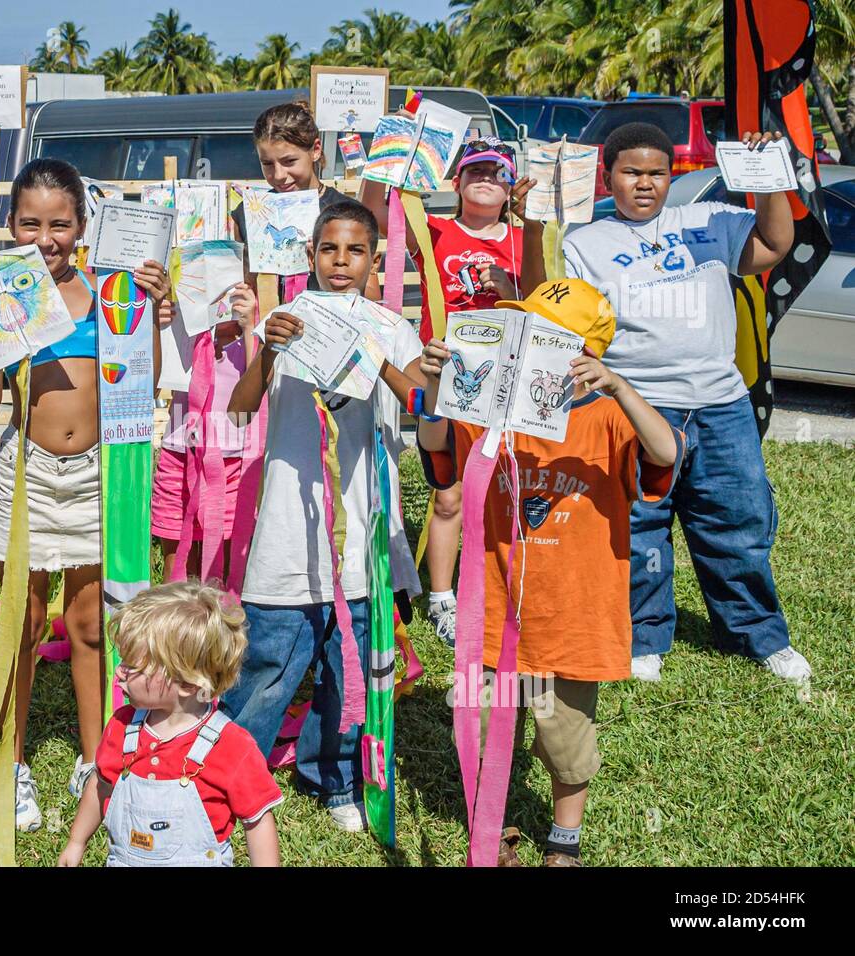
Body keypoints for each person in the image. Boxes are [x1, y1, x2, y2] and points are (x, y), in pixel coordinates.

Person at [520, 123, 811, 685]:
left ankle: (758, 634)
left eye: (657, 172)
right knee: (639, 524)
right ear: (609, 177)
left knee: (738, 523)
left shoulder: (709, 221)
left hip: (720, 404)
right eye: (632, 173)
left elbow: (776, 245)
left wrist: (770, 178)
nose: (645, 183)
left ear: (670, 175)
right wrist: (533, 225)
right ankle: (646, 634)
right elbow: (542, 305)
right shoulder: (586, 241)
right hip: (639, 408)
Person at [416, 279, 682, 866]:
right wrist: (438, 385)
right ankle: (493, 831)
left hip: (572, 622)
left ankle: (564, 843)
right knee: (482, 735)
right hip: (491, 615)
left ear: (587, 355)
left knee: (566, 745)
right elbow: (438, 452)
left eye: (547, 335)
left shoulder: (610, 416)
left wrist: (621, 388)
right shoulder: (490, 408)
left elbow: (665, 454)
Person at [0, 158, 170, 830]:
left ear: (83, 226)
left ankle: (94, 759)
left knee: (87, 626)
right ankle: (13, 765)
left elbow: (140, 383)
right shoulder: (1, 292)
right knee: (19, 629)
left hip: (93, 478)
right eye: (31, 222)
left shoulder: (107, 291)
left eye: (60, 223)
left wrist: (153, 320)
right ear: (12, 224)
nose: (46, 236)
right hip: (25, 474)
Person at [222, 200, 425, 831]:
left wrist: (373, 361)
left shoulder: (390, 325)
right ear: (309, 256)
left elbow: (423, 401)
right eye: (328, 250)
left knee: (350, 672)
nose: (341, 262)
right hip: (288, 530)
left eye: (356, 251)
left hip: (360, 532)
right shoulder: (287, 320)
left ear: (374, 259)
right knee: (266, 665)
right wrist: (268, 353)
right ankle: (233, 778)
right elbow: (238, 407)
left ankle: (333, 778)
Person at [362, 137, 531, 646]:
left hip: (509, 380)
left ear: (510, 187)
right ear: (454, 182)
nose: (485, 178)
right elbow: (372, 213)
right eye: (474, 169)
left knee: (512, 492)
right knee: (448, 494)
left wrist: (510, 290)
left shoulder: (527, 240)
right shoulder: (433, 229)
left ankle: (506, 591)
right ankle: (442, 597)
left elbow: (542, 305)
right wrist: (389, 150)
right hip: (446, 379)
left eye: (497, 172)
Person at [58, 580, 281, 867]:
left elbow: (257, 819)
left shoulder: (230, 746)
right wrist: (77, 841)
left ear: (187, 684)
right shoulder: (122, 728)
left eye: (132, 667)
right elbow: (100, 786)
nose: (120, 673)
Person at [151, 286, 259, 580]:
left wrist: (250, 328)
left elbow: (261, 389)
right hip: (178, 457)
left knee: (220, 573)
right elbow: (151, 387)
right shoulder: (179, 331)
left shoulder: (255, 336)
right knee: (177, 571)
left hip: (232, 464)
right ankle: (175, 627)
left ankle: (220, 625)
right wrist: (157, 326)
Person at [232, 101, 379, 299]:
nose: (279, 175)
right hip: (265, 327)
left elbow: (371, 297)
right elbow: (239, 287)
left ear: (316, 150)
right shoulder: (247, 213)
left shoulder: (348, 214)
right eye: (267, 164)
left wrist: (325, 257)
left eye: (289, 161)